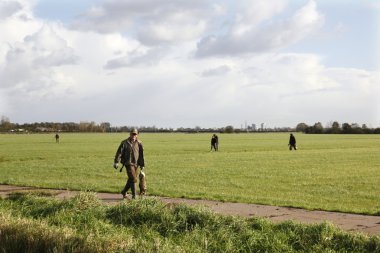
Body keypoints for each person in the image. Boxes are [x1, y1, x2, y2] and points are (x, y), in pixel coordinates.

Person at [114, 128, 145, 199]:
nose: (133, 135)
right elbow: (119, 153)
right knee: (133, 178)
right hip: (128, 163)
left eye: (135, 134)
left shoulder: (139, 143)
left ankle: (124, 191)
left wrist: (142, 165)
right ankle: (134, 196)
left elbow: (141, 155)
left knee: (131, 179)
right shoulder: (124, 143)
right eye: (132, 134)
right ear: (130, 134)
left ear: (137, 135)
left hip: (136, 164)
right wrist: (116, 162)